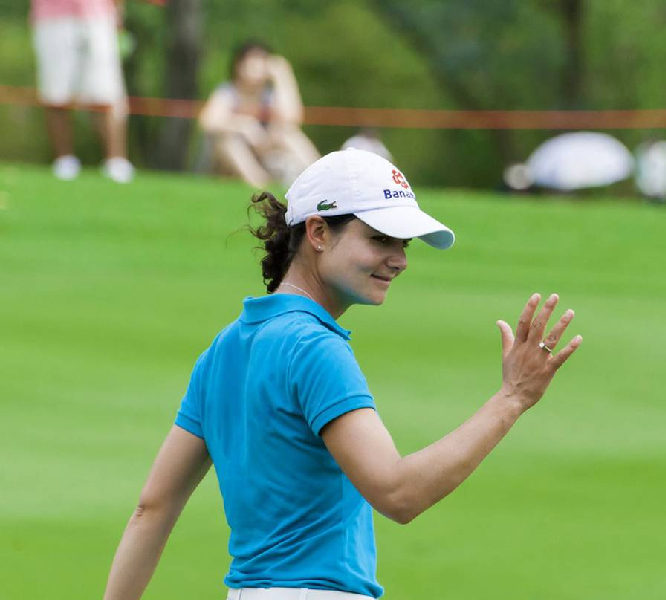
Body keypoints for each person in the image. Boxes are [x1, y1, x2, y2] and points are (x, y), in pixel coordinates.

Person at [102, 149, 583, 600]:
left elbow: (152, 509)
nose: (399, 259)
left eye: (403, 243)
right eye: (379, 239)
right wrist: (513, 397)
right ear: (317, 233)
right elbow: (398, 493)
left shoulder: (224, 348)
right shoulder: (315, 348)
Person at [30, 0, 134, 183]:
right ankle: (64, 161)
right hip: (51, 15)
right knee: (56, 93)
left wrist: (119, 9)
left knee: (105, 92)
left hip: (98, 14)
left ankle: (116, 163)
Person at [199, 41, 320, 188]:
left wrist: (283, 78)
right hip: (227, 159)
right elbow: (207, 122)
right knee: (229, 142)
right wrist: (242, 125)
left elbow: (292, 119)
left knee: (288, 133)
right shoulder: (228, 92)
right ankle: (259, 183)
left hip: (264, 151)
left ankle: (319, 177)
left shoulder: (269, 95)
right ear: (239, 66)